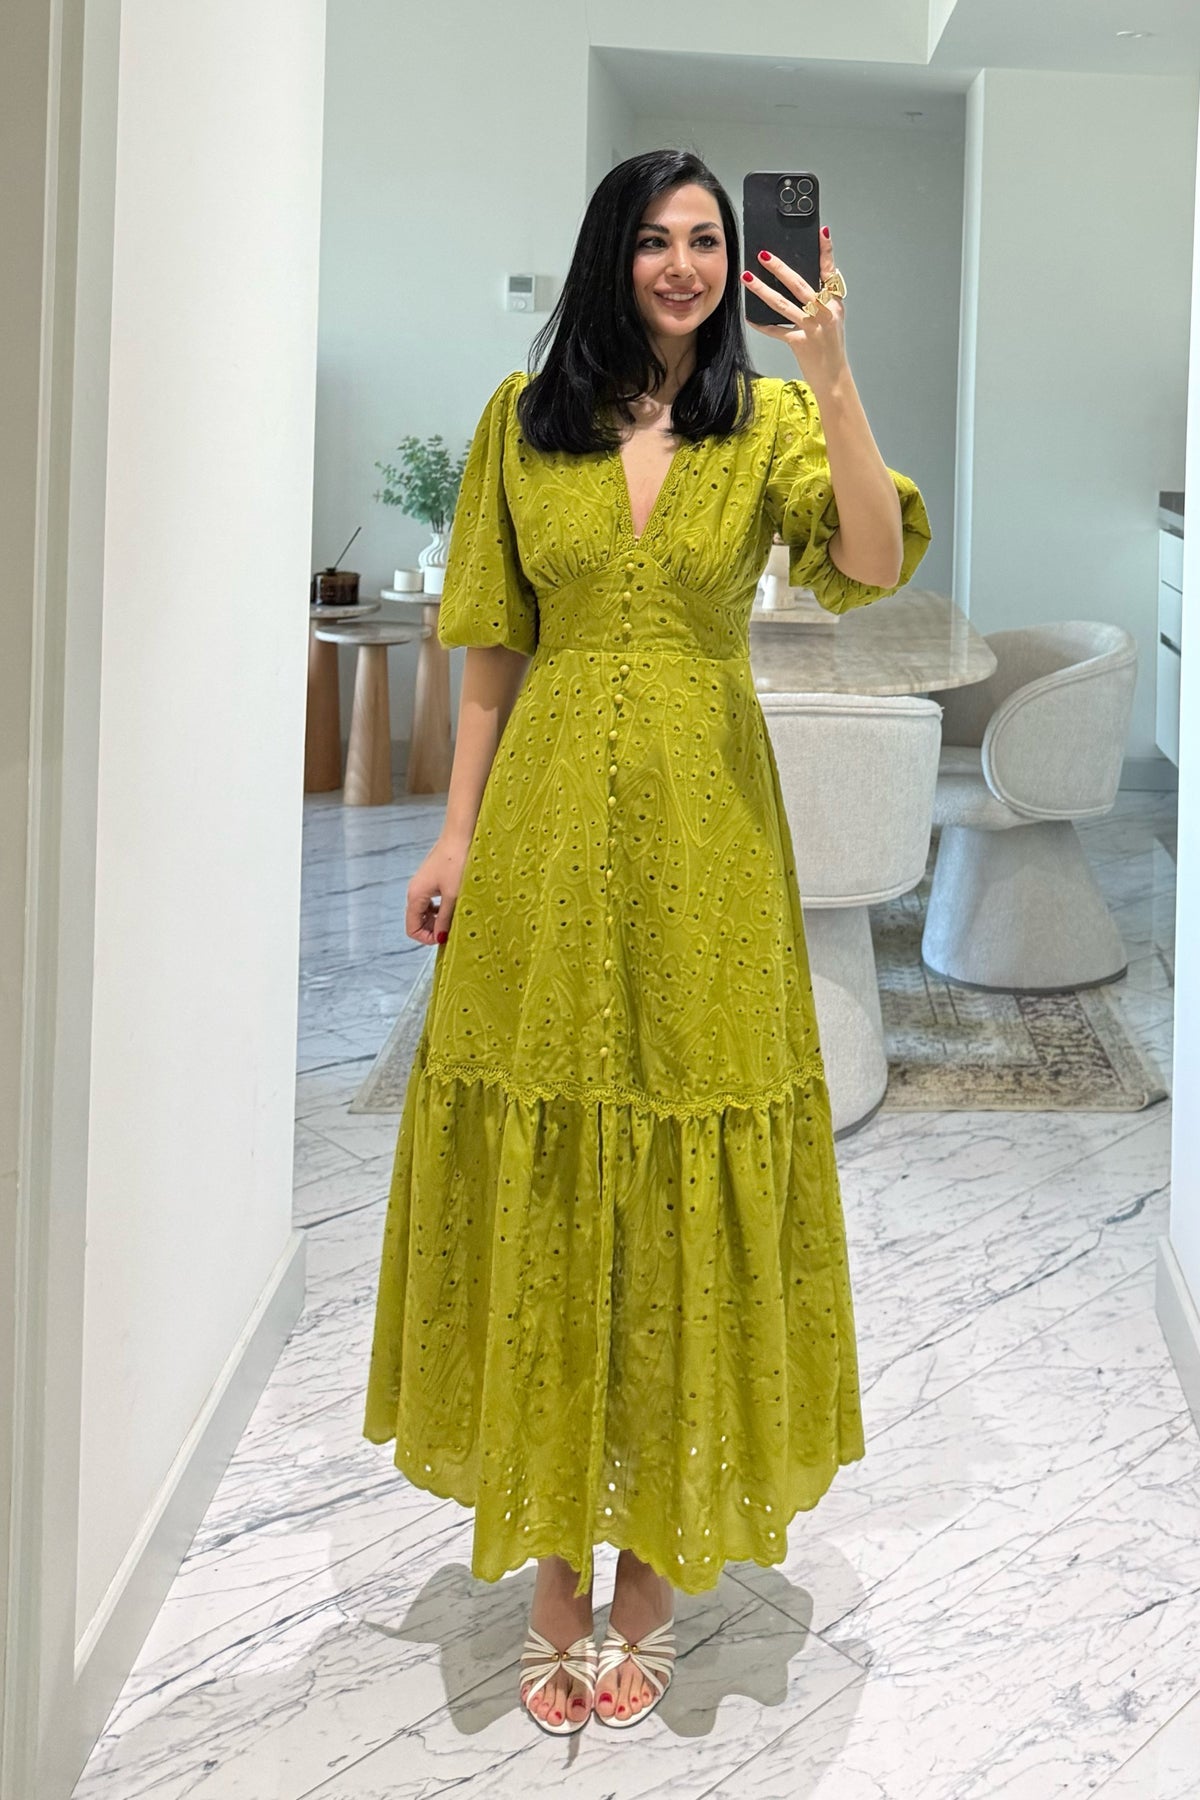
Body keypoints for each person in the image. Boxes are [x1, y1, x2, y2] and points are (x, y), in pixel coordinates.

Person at [362, 147, 931, 1737]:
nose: (684, 265)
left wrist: (834, 369)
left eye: (708, 241)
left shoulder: (773, 424)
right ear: (610, 255)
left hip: (706, 833)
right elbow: (490, 648)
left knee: (689, 1150)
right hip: (542, 831)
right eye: (656, 239)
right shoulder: (519, 421)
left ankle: (661, 1560)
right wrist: (455, 833)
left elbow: (873, 562)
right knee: (551, 1171)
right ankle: (556, 1552)